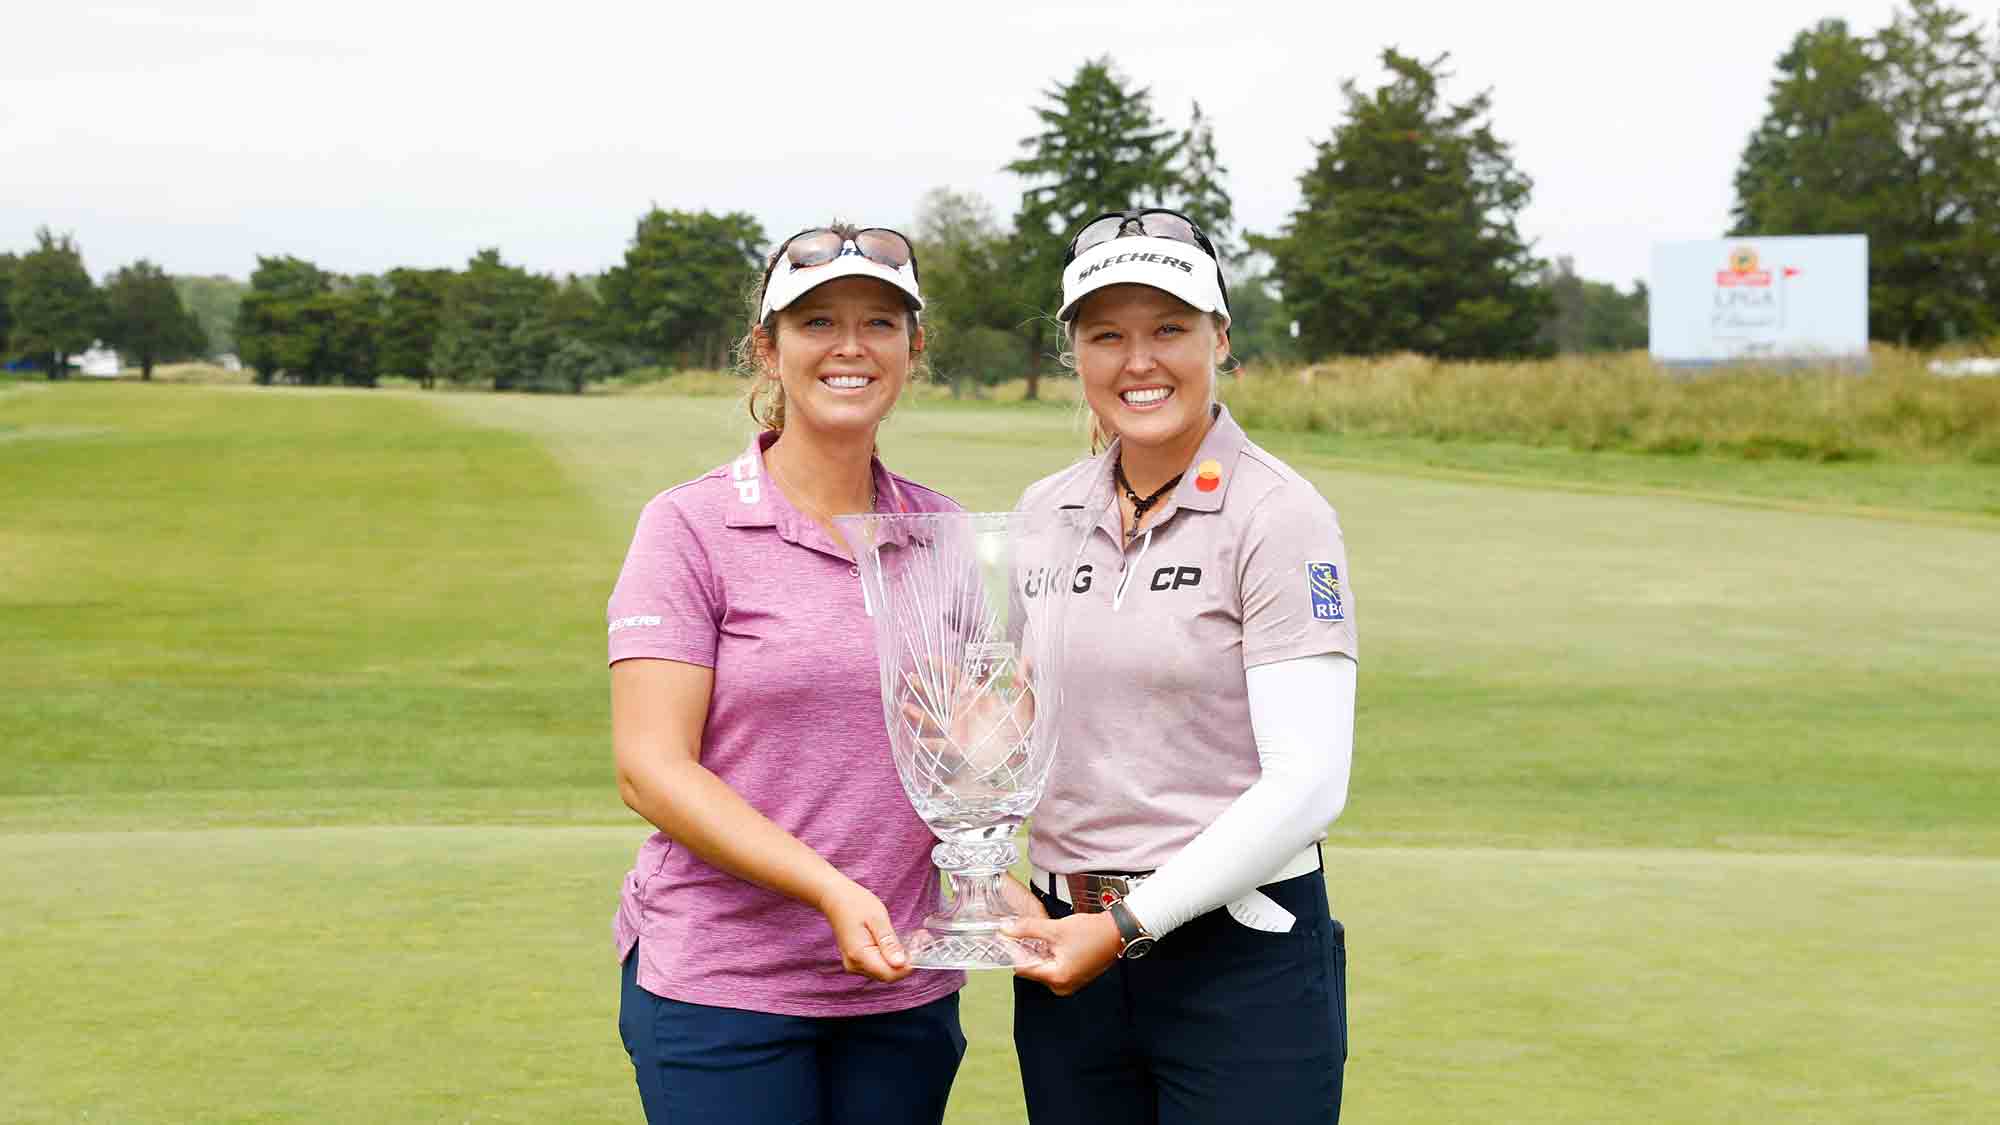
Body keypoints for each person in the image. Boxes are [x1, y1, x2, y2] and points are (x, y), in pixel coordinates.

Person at [605, 224, 966, 1124]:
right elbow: (651, 768)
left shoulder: (943, 530)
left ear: (912, 349)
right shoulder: (687, 526)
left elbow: (960, 765)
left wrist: (999, 888)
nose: (850, 346)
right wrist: (830, 888)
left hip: (902, 987)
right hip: (724, 985)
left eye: (879, 322)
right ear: (769, 347)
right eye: (816, 323)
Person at [1004, 208, 1358, 1124]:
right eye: (1106, 334)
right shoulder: (1043, 512)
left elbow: (1309, 784)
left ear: (1221, 339)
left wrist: (1127, 925)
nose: (1139, 361)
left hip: (1234, 955)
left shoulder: (1281, 514)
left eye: (1169, 328)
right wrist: (989, 874)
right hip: (1066, 953)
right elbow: (1007, 734)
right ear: (1072, 351)